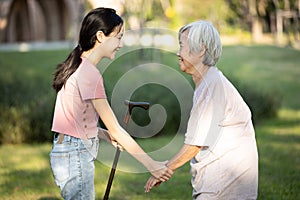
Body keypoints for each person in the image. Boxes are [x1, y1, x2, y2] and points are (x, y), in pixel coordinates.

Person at [50, 7, 172, 200]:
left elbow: (71, 122)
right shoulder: (90, 74)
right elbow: (116, 128)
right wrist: (152, 165)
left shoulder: (76, 66)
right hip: (76, 156)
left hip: (64, 152)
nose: (120, 45)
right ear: (100, 36)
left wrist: (103, 134)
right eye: (118, 37)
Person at [145, 20, 258, 199]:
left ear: (201, 49)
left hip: (225, 185)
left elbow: (196, 143)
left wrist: (164, 169)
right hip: (218, 182)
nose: (178, 53)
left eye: (182, 46)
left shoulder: (214, 86)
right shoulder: (207, 83)